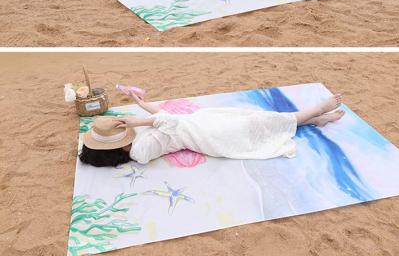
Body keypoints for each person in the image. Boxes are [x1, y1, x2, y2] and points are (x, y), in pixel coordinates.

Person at [79, 92, 345, 167]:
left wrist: (140, 103)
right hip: (205, 136)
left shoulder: (136, 141)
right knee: (254, 125)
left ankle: (312, 120)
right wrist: (137, 121)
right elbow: (170, 122)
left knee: (258, 117)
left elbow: (163, 116)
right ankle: (313, 112)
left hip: (201, 123)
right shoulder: (140, 152)